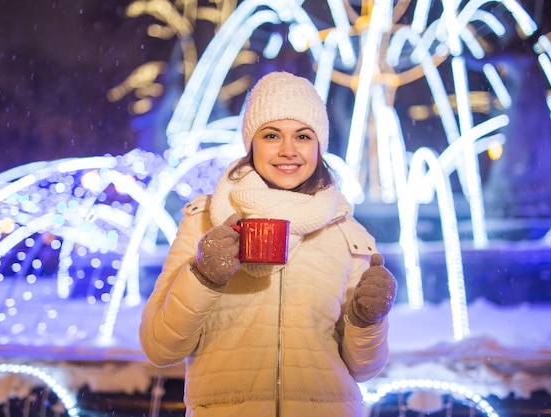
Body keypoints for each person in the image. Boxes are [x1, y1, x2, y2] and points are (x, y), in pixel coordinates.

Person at [139, 71, 397, 417]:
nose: (288, 150)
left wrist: (367, 320)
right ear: (252, 143)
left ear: (318, 145)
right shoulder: (203, 221)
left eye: (303, 136)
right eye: (272, 135)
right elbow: (160, 347)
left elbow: (364, 368)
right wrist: (202, 278)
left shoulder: (347, 232)